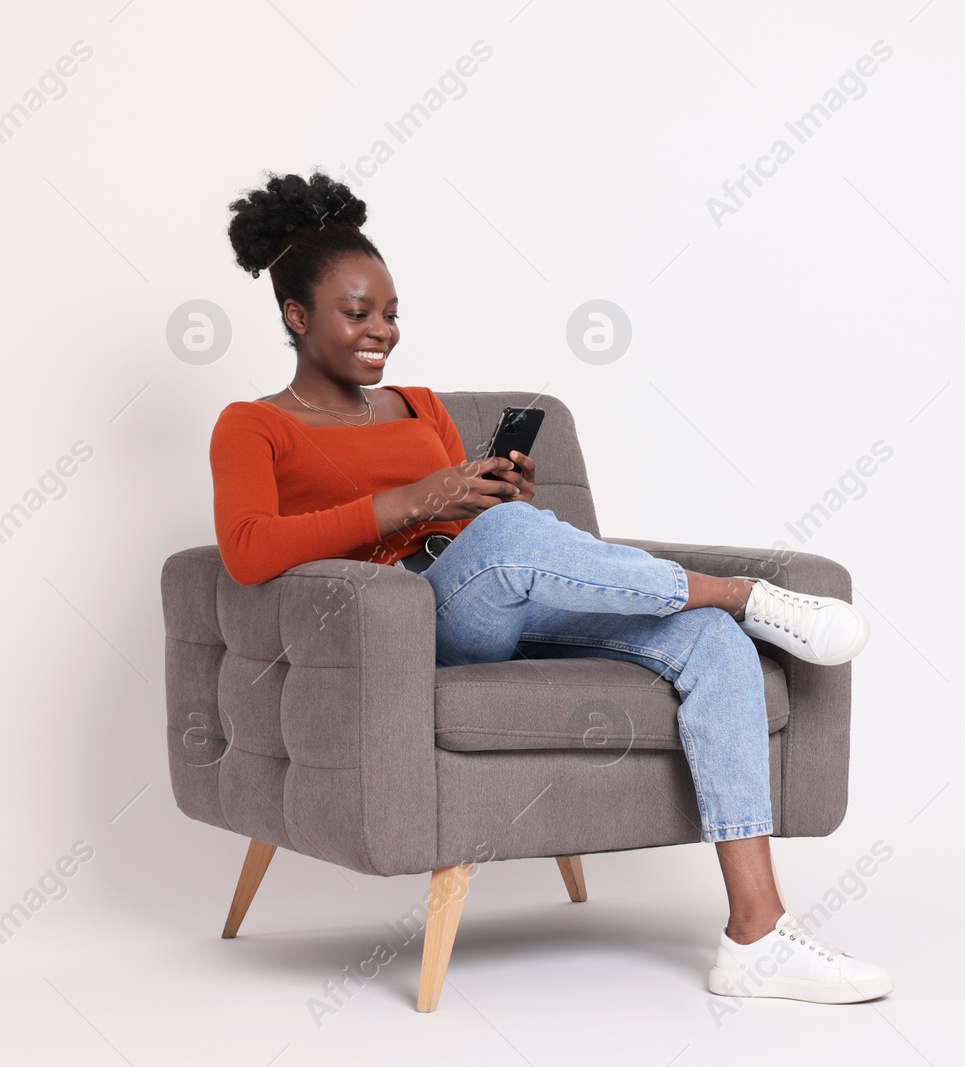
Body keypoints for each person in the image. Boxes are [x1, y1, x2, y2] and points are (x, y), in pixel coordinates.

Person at [211, 170, 891, 1004]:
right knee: (520, 547)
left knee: (708, 647)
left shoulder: (419, 405)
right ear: (295, 317)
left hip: (502, 587)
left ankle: (755, 933)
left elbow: (477, 526)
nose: (381, 331)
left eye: (391, 313)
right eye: (359, 314)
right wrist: (413, 502)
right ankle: (740, 593)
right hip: (414, 620)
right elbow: (246, 550)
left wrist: (498, 495)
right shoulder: (254, 424)